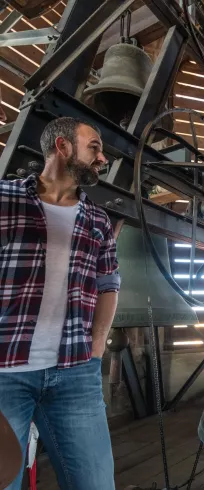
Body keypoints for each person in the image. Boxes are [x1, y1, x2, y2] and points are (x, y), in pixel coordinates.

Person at [0, 117, 120, 490]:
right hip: (4, 372)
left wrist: (97, 344)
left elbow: (108, 283)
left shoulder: (97, 219)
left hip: (75, 371)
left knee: (96, 484)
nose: (102, 158)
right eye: (95, 147)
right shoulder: (4, 199)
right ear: (63, 147)